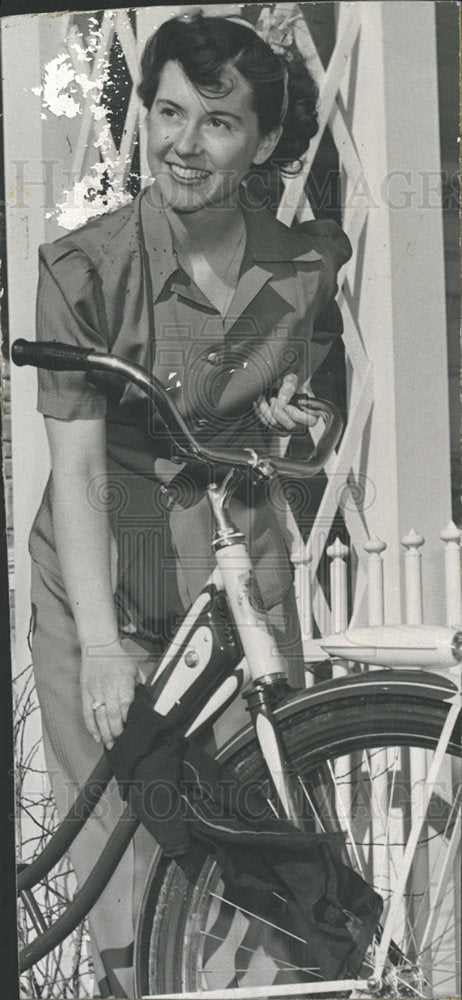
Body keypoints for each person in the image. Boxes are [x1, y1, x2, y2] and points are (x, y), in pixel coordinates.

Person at [27, 10, 351, 997]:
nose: (182, 143)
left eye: (216, 123)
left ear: (262, 143)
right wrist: (101, 641)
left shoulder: (303, 269)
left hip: (234, 568)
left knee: (265, 824)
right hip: (98, 571)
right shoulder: (86, 269)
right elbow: (76, 470)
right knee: (126, 849)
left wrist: (303, 420)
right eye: (168, 112)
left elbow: (315, 413)